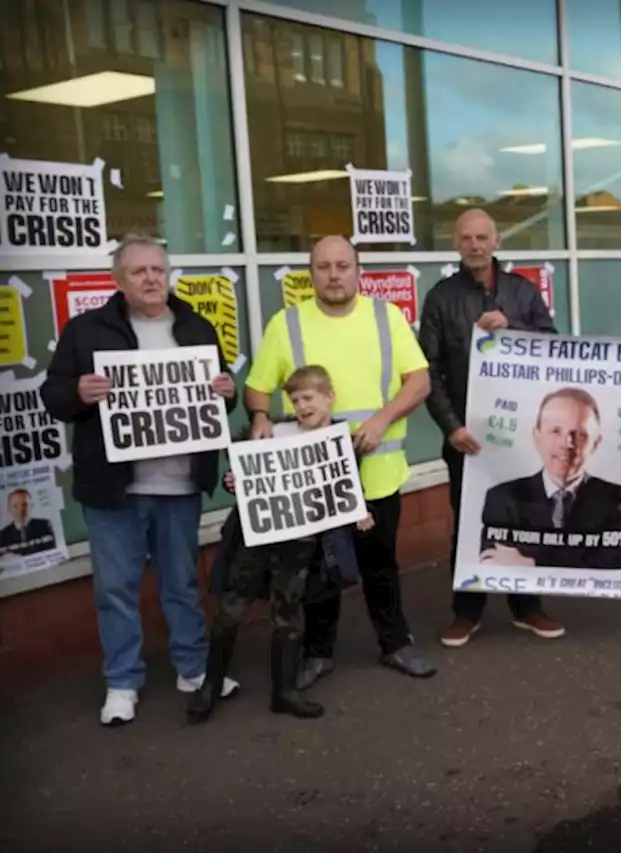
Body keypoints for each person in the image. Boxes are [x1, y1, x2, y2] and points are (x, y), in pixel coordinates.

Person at [40, 233, 242, 726]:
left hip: (179, 484)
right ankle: (122, 681)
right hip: (115, 489)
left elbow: (221, 398)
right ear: (118, 280)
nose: (151, 279)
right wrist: (79, 392)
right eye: (139, 271)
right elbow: (53, 394)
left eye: (158, 269)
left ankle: (192, 668)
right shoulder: (87, 331)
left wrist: (228, 390)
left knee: (181, 583)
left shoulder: (196, 326)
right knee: (115, 587)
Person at [244, 235, 435, 690]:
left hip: (378, 473)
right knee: (318, 570)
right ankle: (318, 652)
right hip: (315, 475)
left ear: (357, 270)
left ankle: (395, 643)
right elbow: (257, 387)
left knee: (380, 564)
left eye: (342, 266)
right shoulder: (286, 323)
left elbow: (420, 382)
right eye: (324, 267)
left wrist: (381, 419)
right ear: (310, 273)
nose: (334, 275)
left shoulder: (385, 316)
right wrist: (258, 417)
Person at [187, 365, 366, 724]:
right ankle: (211, 685)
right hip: (257, 541)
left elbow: (342, 490)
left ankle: (284, 691)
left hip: (300, 545)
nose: (302, 405)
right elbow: (245, 475)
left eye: (309, 397)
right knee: (230, 610)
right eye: (295, 399)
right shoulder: (270, 433)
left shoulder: (341, 443)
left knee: (289, 617)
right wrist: (234, 480)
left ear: (329, 397)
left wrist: (359, 512)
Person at [419, 208, 562, 649]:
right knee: (470, 524)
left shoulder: (522, 292)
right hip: (469, 438)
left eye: (483, 237)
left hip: (520, 432)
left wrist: (514, 326)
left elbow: (553, 347)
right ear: (456, 244)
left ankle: (527, 607)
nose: (476, 244)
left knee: (525, 518)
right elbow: (429, 370)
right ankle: (467, 612)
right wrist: (451, 427)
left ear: (497, 241)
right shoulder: (441, 298)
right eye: (467, 237)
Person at [478, 387, 621, 570]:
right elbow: (493, 561)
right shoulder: (502, 498)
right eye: (555, 431)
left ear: (596, 444)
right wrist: (583, 557)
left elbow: (618, 561)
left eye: (580, 434)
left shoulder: (618, 500)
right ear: (536, 437)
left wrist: (532, 562)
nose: (566, 444)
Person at [0, 489, 56, 557]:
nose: (20, 509)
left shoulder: (44, 525)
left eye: (24, 505)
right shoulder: (2, 535)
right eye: (15, 506)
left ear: (31, 506)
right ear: (9, 509)